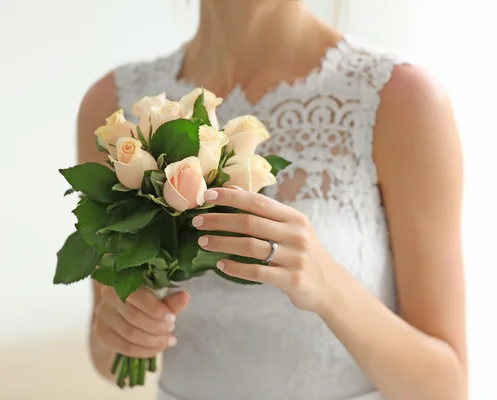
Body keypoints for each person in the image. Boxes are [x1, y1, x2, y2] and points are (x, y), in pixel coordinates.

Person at [77, 1, 468, 399]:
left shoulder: (402, 100)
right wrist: (122, 329)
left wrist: (329, 286)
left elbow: (447, 388)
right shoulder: (117, 110)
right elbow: (108, 360)